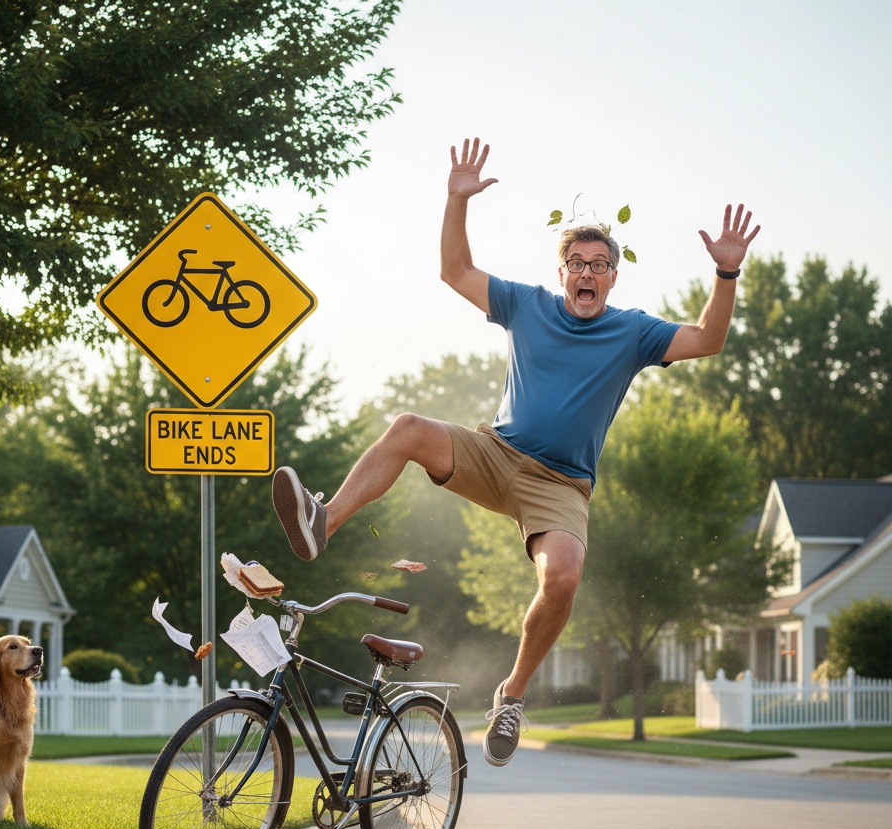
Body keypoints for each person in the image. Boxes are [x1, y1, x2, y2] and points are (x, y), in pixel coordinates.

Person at [271, 137, 760, 768]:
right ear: (562, 274)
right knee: (409, 425)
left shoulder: (635, 330)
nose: (587, 273)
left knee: (562, 575)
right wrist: (456, 202)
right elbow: (454, 272)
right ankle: (323, 521)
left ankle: (512, 694)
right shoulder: (526, 304)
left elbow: (708, 339)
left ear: (613, 275)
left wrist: (726, 273)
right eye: (577, 263)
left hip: (559, 486)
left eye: (599, 264)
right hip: (494, 454)